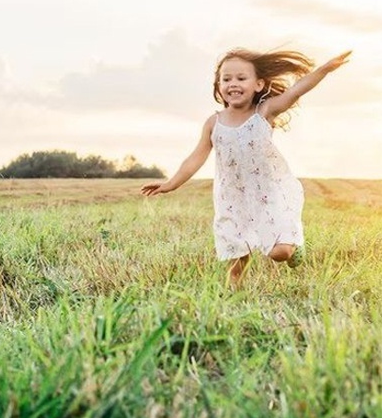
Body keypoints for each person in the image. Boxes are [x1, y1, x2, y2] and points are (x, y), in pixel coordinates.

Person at [141, 48, 352, 284]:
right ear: (218, 86)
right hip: (232, 197)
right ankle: (234, 299)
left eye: (241, 78)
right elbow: (195, 158)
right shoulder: (214, 123)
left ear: (259, 84)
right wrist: (171, 183)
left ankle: (294, 245)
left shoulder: (264, 112)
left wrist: (324, 69)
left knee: (279, 252)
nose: (233, 83)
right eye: (226, 79)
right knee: (237, 254)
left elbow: (296, 91)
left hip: (269, 192)